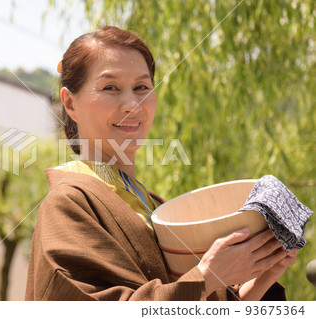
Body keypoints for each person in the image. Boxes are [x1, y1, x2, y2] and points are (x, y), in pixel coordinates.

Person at [25, 26, 297, 301]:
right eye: (110, 87)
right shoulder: (67, 203)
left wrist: (259, 278)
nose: (132, 104)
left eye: (142, 87)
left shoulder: (152, 205)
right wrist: (207, 276)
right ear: (70, 103)